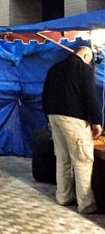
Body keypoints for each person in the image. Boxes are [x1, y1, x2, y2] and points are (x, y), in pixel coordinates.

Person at [42, 46, 103, 214]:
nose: (89, 63)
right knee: (82, 159)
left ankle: (63, 197)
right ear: (85, 55)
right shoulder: (83, 69)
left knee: (62, 159)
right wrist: (96, 121)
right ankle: (86, 204)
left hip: (54, 117)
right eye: (89, 60)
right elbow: (90, 96)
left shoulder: (54, 68)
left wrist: (48, 116)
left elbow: (45, 94)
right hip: (74, 119)